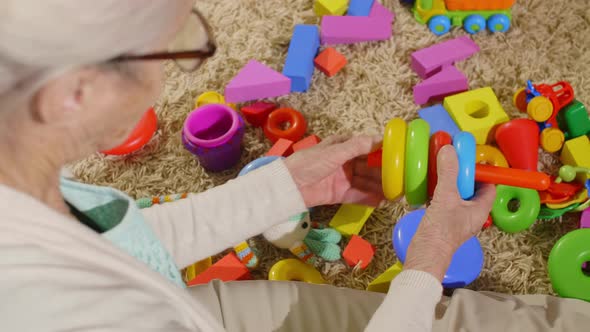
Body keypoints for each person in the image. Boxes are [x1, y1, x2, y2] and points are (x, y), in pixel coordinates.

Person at [0, 1, 589, 331]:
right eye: (174, 41)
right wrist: (431, 253)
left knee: (456, 316)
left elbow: (118, 249)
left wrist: (284, 186)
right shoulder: (64, 308)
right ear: (71, 93)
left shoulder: (19, 182)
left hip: (181, 308)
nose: (165, 78)